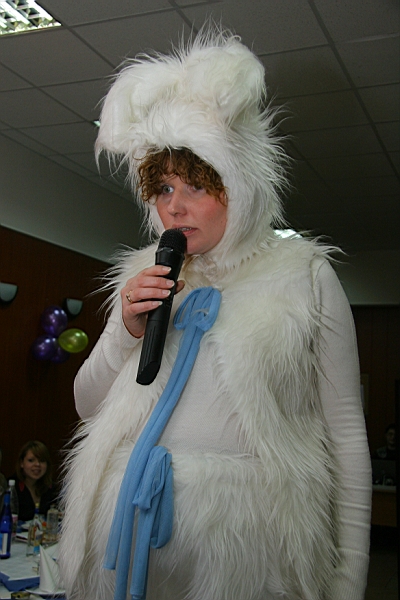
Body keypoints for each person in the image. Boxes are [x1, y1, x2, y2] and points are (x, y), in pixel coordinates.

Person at [59, 27, 372, 600]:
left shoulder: (303, 276)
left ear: (240, 185)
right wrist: (124, 332)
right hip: (128, 538)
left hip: (248, 553)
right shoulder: (144, 277)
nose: (174, 206)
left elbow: (346, 433)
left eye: (197, 186)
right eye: (162, 188)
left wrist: (349, 576)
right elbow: (86, 406)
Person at [13, 440, 58, 521]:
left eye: (42, 461)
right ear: (21, 463)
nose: (37, 464)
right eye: (31, 460)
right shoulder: (12, 487)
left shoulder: (52, 488)